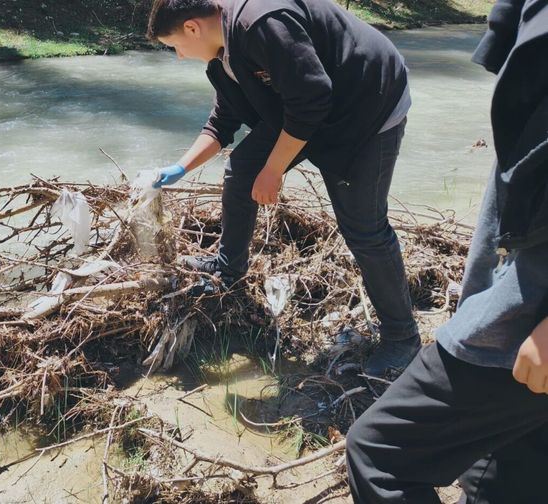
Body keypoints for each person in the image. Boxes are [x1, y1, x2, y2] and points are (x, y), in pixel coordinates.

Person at [147, 0, 419, 376]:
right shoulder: (223, 54)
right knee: (242, 169)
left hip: (367, 104)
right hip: (309, 107)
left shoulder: (262, 24)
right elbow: (222, 121)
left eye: (173, 46)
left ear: (193, 28)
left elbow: (312, 100)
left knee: (363, 227)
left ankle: (402, 337)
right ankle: (229, 270)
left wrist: (273, 170)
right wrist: (179, 167)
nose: (177, 56)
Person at [345, 0, 548, 501]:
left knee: (380, 455)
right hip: (516, 294)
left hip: (524, 323)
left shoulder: (260, 24)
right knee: (504, 477)